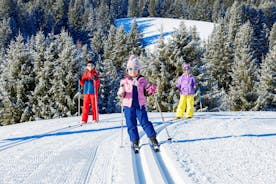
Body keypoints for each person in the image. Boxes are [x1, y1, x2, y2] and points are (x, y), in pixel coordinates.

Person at [117, 55, 158, 150]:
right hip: (128, 106)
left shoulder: (142, 80)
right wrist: (121, 92)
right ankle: (134, 140)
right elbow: (121, 91)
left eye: (135, 68)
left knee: (145, 122)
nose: (133, 71)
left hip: (140, 105)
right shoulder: (124, 81)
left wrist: (151, 90)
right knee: (131, 123)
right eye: (130, 69)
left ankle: (153, 138)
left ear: (138, 70)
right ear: (127, 70)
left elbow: (147, 91)